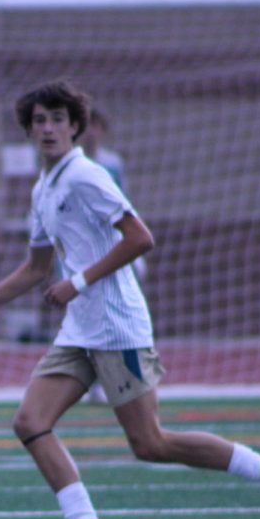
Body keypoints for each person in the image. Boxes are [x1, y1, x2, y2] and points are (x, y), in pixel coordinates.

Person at [0, 79, 260, 519]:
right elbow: (34, 268)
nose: (48, 128)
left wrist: (78, 280)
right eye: (39, 121)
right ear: (28, 131)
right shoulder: (43, 188)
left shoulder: (85, 176)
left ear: (77, 127)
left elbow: (140, 238)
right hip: (79, 330)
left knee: (150, 444)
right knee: (30, 422)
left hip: (117, 328)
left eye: (58, 119)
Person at [82, 105, 143, 404]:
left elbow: (124, 207)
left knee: (119, 316)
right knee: (86, 319)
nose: (91, 131)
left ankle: (129, 376)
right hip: (83, 254)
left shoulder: (112, 165)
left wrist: (132, 251)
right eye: (86, 125)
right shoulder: (70, 166)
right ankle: (92, 382)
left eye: (96, 125)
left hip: (113, 251)